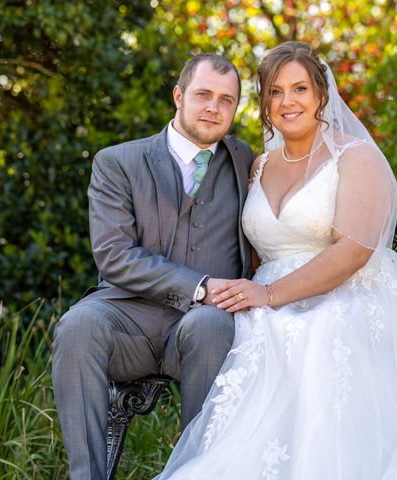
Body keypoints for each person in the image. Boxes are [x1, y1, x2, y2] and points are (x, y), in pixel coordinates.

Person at [153, 42, 397, 479]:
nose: (287, 101)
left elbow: (353, 251)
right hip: (265, 300)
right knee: (235, 332)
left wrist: (271, 294)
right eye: (275, 92)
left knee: (323, 331)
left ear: (321, 94)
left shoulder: (355, 157)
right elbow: (251, 249)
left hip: (345, 293)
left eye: (299, 89)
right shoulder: (258, 165)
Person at [51, 53, 254, 479]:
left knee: (213, 324)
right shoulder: (118, 162)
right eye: (203, 95)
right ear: (178, 96)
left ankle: (199, 472)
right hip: (127, 320)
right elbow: (114, 255)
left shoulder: (246, 162)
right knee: (77, 326)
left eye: (226, 100)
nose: (214, 108)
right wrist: (200, 286)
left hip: (203, 328)